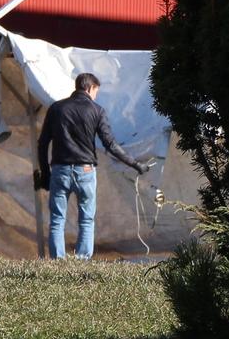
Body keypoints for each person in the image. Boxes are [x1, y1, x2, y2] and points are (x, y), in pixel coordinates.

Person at [36, 72, 147, 259]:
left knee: (57, 220)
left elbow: (42, 143)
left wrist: (45, 174)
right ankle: (82, 261)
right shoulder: (97, 110)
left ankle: (57, 262)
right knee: (86, 220)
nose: (96, 95)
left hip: (60, 169)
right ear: (90, 88)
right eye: (96, 91)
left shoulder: (56, 108)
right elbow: (110, 145)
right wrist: (135, 164)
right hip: (85, 170)